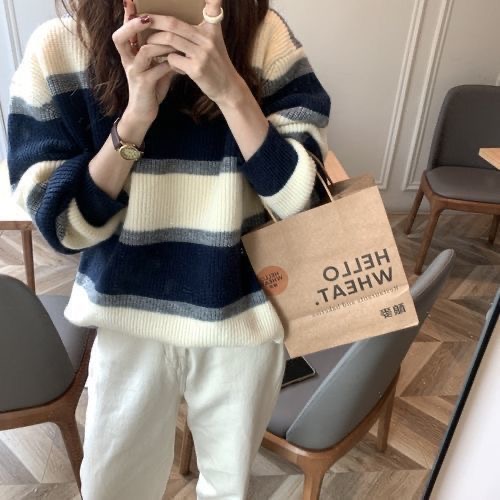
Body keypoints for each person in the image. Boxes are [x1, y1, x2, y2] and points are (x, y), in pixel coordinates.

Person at [7, 0, 331, 498]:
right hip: (126, 319)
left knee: (228, 489)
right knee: (113, 489)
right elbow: (62, 227)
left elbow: (304, 203)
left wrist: (230, 91)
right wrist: (135, 118)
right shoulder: (62, 49)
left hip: (240, 318)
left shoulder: (263, 34)